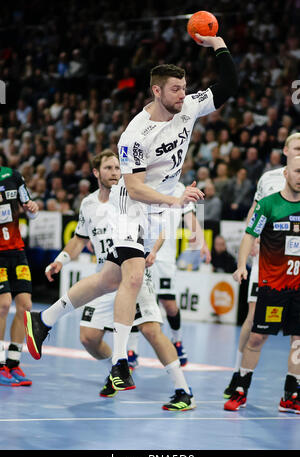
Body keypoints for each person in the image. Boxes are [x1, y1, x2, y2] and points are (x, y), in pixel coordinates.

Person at [24, 32, 238, 394]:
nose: (182, 95)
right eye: (174, 89)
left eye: (184, 87)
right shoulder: (134, 135)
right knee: (133, 277)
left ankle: (43, 320)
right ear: (156, 91)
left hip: (162, 201)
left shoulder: (187, 107)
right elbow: (136, 187)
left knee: (109, 280)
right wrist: (176, 200)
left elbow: (228, 85)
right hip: (133, 203)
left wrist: (217, 44)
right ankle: (120, 363)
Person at [45, 150, 196, 411]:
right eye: (108, 168)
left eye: (117, 167)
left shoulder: (133, 192)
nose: (115, 173)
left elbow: (159, 225)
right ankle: (115, 372)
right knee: (88, 338)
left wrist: (153, 250)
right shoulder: (89, 204)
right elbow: (79, 239)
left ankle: (183, 391)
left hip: (133, 272)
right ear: (96, 173)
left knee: (151, 330)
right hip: (106, 277)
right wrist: (61, 260)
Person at [223, 132, 300, 399]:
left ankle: (291, 391)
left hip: (294, 268)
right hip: (267, 261)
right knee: (254, 320)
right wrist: (251, 239)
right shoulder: (269, 179)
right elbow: (254, 212)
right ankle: (238, 373)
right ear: (286, 151)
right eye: (297, 147)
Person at [126, 181, 211, 369]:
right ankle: (132, 350)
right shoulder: (142, 183)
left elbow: (191, 218)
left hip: (165, 258)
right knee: (135, 302)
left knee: (169, 305)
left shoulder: (180, 188)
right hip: (141, 251)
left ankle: (177, 341)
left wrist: (202, 243)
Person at [0, 165, 39, 386]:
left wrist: (33, 209)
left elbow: (30, 208)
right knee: (3, 304)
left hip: (17, 251)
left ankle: (13, 363)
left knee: (25, 305)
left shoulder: (12, 175)